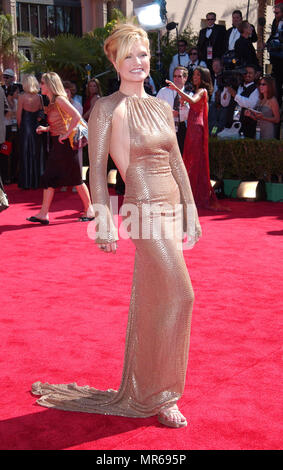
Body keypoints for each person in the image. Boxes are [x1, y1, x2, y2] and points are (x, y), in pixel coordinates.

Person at [31, 22, 202, 429]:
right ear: (114, 61)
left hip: (172, 205)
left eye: (142, 53)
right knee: (183, 295)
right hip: (140, 210)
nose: (138, 62)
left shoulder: (162, 106)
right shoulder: (106, 108)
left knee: (158, 299)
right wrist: (104, 221)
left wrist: (191, 210)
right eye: (128, 56)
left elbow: (177, 162)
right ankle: (162, 393)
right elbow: (98, 168)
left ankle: (154, 392)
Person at [26, 72, 94, 224]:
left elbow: (76, 116)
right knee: (55, 177)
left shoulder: (59, 99)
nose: (40, 85)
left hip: (66, 144)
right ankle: (44, 214)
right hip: (59, 144)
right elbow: (59, 123)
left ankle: (89, 210)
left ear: (50, 85)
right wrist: (46, 129)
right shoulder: (51, 102)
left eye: (42, 82)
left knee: (72, 178)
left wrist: (66, 134)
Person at [167, 67, 225, 210]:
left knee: (194, 162)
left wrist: (176, 89)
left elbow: (193, 100)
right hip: (192, 127)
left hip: (196, 129)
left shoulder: (202, 91)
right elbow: (192, 104)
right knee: (191, 160)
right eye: (194, 75)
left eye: (198, 75)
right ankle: (190, 194)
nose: (195, 77)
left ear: (204, 77)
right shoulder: (197, 91)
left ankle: (193, 195)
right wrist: (184, 102)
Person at [17, 74, 45, 189]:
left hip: (25, 126)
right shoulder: (39, 97)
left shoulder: (22, 97)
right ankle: (36, 181)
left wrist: (20, 127)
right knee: (36, 153)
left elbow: (19, 116)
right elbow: (41, 114)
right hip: (36, 127)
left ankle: (26, 182)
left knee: (25, 154)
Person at [157, 66, 190, 155]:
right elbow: (155, 110)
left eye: (179, 76)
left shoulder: (189, 94)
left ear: (185, 78)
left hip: (183, 129)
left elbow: (191, 115)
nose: (176, 79)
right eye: (175, 76)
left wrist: (181, 111)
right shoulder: (163, 92)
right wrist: (168, 113)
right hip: (167, 128)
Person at [221, 65, 260, 138]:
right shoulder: (237, 86)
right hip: (232, 125)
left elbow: (250, 104)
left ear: (255, 75)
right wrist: (226, 88)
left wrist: (235, 95)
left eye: (250, 73)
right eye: (245, 73)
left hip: (246, 127)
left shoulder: (256, 90)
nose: (247, 75)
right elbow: (224, 103)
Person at [266, 3, 283, 113]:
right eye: (274, 13)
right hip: (274, 56)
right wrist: (267, 44)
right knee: (274, 80)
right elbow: (272, 35)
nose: (275, 15)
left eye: (277, 13)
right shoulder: (274, 22)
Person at [208, 57, 227, 134]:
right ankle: (212, 135)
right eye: (214, 65)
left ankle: (216, 135)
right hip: (211, 103)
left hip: (221, 104)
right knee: (212, 122)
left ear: (222, 67)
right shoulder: (210, 77)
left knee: (219, 123)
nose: (215, 67)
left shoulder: (225, 77)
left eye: (217, 65)